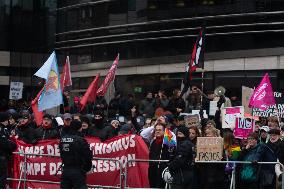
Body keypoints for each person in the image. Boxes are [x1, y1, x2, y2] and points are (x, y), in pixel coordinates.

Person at [59, 120, 93, 189]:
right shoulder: (80, 140)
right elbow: (88, 156)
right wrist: (86, 168)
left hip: (65, 170)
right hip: (77, 171)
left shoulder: (62, 139)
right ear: (80, 128)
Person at [147, 122, 170, 188]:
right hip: (152, 169)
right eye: (156, 130)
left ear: (164, 131)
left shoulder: (167, 142)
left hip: (162, 169)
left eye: (160, 130)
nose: (157, 131)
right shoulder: (153, 142)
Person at [0, 112, 17, 188]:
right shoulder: (1, 129)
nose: (8, 121)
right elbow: (4, 143)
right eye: (7, 119)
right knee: (2, 176)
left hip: (3, 156)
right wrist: (13, 144)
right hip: (2, 156)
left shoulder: (4, 129)